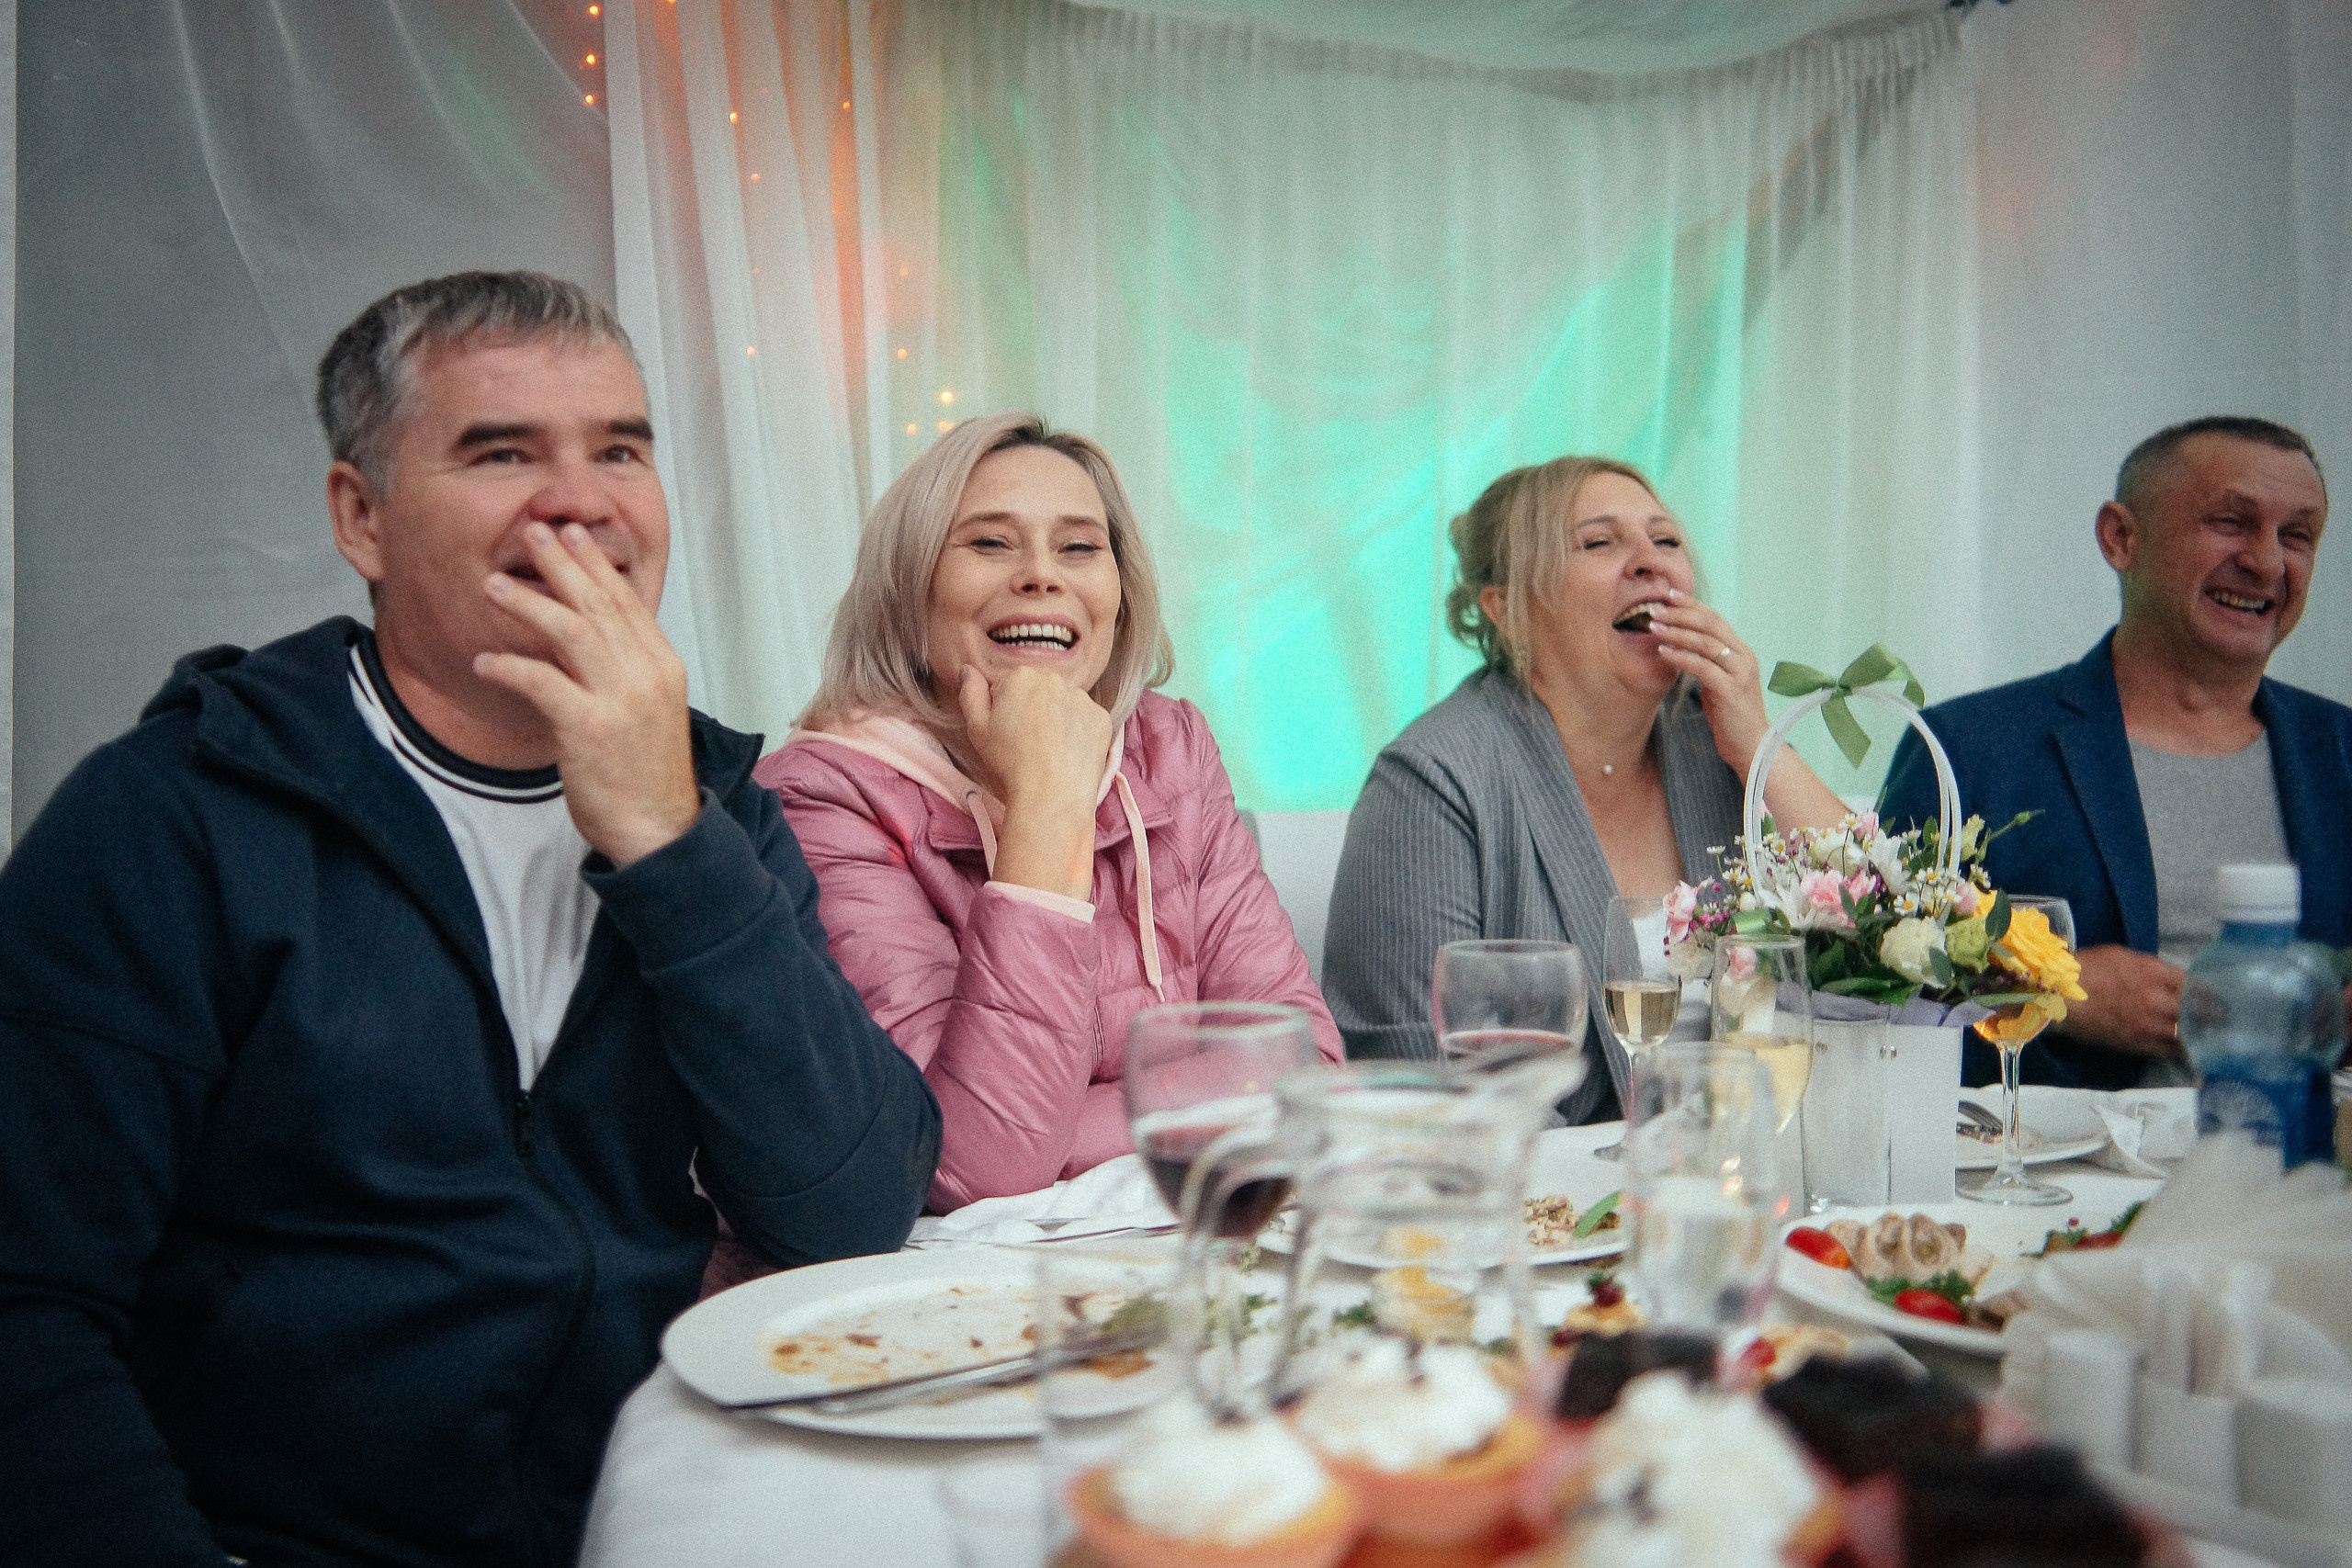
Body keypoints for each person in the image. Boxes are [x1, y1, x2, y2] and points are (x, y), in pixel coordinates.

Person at [0, 272, 941, 1567]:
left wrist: (669, 844)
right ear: (362, 515)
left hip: (661, 1509)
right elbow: (29, 1306)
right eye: (502, 452)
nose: (581, 499)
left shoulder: (715, 805)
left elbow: (852, 1208)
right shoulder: (170, 821)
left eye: (621, 447)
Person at [752, 412, 1341, 1218]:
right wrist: (1045, 807)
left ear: (1119, 589)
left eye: (1078, 546)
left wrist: (1064, 1124)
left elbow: (1307, 1068)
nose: (1041, 576)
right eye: (990, 543)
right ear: (909, 586)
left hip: (1181, 1253)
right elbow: (966, 1166)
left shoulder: (1172, 746)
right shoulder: (820, 797)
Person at [1322, 455, 1847, 1121]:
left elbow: (1893, 946)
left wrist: (1760, 748)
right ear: (1507, 610)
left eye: (1667, 540)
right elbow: (1413, 1076)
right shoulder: (1432, 781)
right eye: (1599, 542)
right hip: (1532, 1205)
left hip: (1724, 1184)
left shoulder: (1716, 745)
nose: (1648, 562)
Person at [1882, 415, 2352, 1089]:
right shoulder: (1969, 749)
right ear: (2121, 537)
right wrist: (2043, 988)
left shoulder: (2342, 752)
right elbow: (1863, 990)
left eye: (2296, 536)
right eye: (2231, 522)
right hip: (2057, 1180)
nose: (2267, 562)